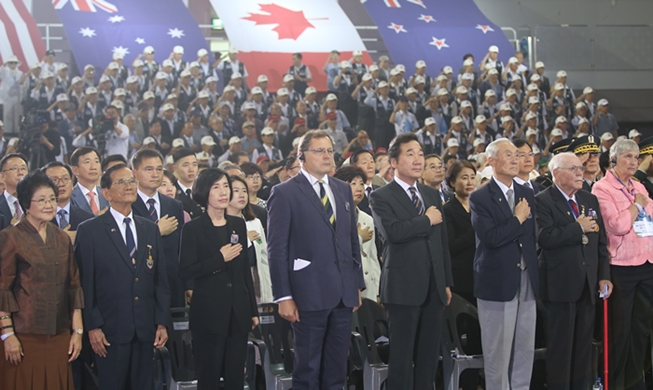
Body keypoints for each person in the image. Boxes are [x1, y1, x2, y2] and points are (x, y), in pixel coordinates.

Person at [267, 130, 364, 390]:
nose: (326, 156)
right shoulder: (284, 192)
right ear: (301, 156)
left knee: (337, 366)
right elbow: (277, 249)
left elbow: (351, 240)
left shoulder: (342, 189)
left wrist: (356, 283)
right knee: (307, 367)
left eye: (330, 151)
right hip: (307, 293)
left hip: (343, 293)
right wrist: (283, 296)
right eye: (319, 151)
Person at [369, 132, 452, 390]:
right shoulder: (381, 195)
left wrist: (446, 281)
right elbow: (392, 232)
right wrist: (426, 220)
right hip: (402, 287)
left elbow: (442, 243)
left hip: (434, 287)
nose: (418, 159)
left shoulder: (430, 193)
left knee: (429, 357)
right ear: (393, 161)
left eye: (420, 153)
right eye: (410, 153)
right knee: (402, 359)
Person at [75, 164, 170, 389]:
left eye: (131, 181)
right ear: (105, 193)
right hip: (109, 331)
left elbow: (160, 279)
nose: (129, 186)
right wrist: (93, 326)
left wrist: (161, 322)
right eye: (121, 182)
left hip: (145, 328)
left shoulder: (149, 228)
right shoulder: (90, 230)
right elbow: (84, 285)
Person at [0, 171, 84, 389]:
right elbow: (2, 289)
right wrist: (7, 334)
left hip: (59, 334)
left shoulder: (61, 238)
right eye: (42, 200)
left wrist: (77, 332)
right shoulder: (11, 237)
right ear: (26, 204)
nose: (49, 205)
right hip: (24, 334)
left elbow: (73, 286)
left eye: (52, 199)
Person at [535, 152, 612, 390]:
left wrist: (603, 275)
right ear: (556, 173)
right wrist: (576, 228)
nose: (580, 173)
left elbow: (600, 241)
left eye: (581, 168)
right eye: (574, 169)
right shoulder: (542, 200)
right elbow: (544, 238)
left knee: (582, 350)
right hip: (560, 287)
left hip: (588, 286)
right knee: (561, 350)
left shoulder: (589, 200)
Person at [179, 168, 258, 389]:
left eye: (226, 186)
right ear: (205, 192)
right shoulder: (193, 228)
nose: (224, 192)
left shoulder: (237, 224)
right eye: (217, 187)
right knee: (209, 376)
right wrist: (219, 259)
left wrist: (252, 309)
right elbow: (185, 270)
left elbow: (243, 272)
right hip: (208, 314)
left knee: (236, 376)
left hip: (238, 312)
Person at [469, 138, 539, 390]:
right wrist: (517, 219)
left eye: (516, 155)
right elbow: (491, 238)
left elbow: (531, 238)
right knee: (497, 352)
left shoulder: (526, 192)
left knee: (524, 347)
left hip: (527, 279)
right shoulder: (479, 197)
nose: (514, 159)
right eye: (508, 155)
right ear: (491, 160)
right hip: (497, 282)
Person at [591, 139, 653, 389]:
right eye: (628, 156)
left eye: (636, 157)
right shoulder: (601, 188)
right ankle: (615, 383)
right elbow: (616, 225)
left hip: (646, 264)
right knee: (620, 330)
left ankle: (635, 382)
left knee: (641, 330)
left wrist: (639, 206)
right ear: (614, 159)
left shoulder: (639, 185)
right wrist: (637, 205)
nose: (634, 162)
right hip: (621, 267)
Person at [130, 149, 188, 308]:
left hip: (172, 284)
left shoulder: (174, 205)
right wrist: (156, 231)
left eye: (159, 169)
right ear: (135, 173)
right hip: (139, 285)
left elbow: (183, 248)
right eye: (149, 169)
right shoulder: (127, 204)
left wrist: (188, 284)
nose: (155, 174)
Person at [333, 165, 380, 301]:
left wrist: (378, 290)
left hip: (369, 287)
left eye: (361, 184)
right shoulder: (333, 218)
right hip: (346, 285)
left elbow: (373, 258)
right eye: (353, 183)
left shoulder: (368, 219)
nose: (359, 188)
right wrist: (358, 238)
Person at [227, 175, 273, 303]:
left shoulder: (255, 222)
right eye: (236, 191)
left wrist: (268, 297)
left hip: (257, 281)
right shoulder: (221, 224)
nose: (242, 195)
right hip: (234, 284)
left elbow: (264, 258)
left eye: (244, 191)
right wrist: (246, 239)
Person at [443, 160, 477, 305]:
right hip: (461, 278)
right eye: (464, 178)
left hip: (483, 275)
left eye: (472, 177)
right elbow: (452, 245)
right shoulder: (447, 210)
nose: (470, 182)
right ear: (452, 182)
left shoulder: (481, 207)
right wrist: (478, 228)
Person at [43, 161, 94, 232]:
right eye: (54, 180)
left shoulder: (88, 219)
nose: (61, 184)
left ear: (72, 184)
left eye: (65, 179)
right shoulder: (38, 219)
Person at [70, 147, 109, 215]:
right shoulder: (69, 197)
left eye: (96, 161)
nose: (93, 167)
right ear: (75, 170)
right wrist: (98, 217)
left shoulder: (107, 194)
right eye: (87, 162)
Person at [173, 148, 204, 218]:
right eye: (185, 165)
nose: (191, 169)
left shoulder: (204, 189)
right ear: (175, 169)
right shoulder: (172, 191)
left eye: (194, 164)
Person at [0, 153, 28, 226]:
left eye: (23, 168)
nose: (20, 173)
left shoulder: (36, 202)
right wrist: (12, 228)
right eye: (14, 168)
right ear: (3, 176)